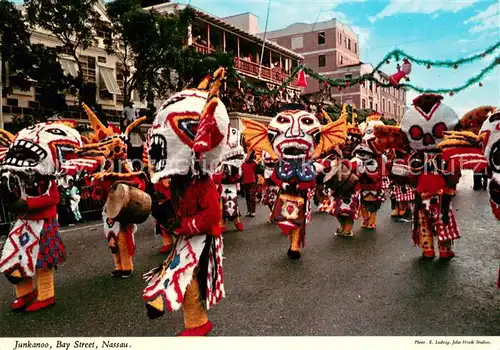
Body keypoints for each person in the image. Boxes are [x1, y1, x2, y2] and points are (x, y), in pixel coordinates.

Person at [241, 152, 258, 217]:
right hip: (245, 182)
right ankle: (249, 211)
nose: (246, 157)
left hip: (252, 182)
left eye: (247, 156)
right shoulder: (243, 164)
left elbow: (258, 165)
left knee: (252, 198)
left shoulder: (253, 163)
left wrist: (253, 160)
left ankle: (253, 211)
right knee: (247, 198)